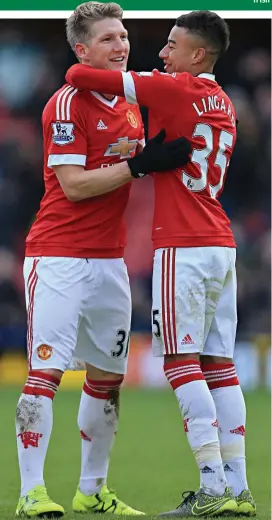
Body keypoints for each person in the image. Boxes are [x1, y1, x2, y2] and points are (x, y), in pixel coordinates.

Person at [65, 10, 257, 518]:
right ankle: (238, 490)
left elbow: (80, 76)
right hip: (221, 241)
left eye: (172, 46)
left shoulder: (178, 88)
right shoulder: (225, 101)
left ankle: (213, 487)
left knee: (178, 361)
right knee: (220, 365)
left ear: (198, 55)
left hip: (184, 244)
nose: (162, 54)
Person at [15, 3, 192, 518]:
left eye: (124, 35)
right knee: (45, 374)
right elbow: (72, 187)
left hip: (109, 261)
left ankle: (93, 491)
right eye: (109, 38)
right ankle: (31, 493)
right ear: (82, 50)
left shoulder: (131, 99)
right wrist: (138, 165)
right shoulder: (67, 104)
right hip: (58, 257)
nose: (121, 46)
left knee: (108, 380)